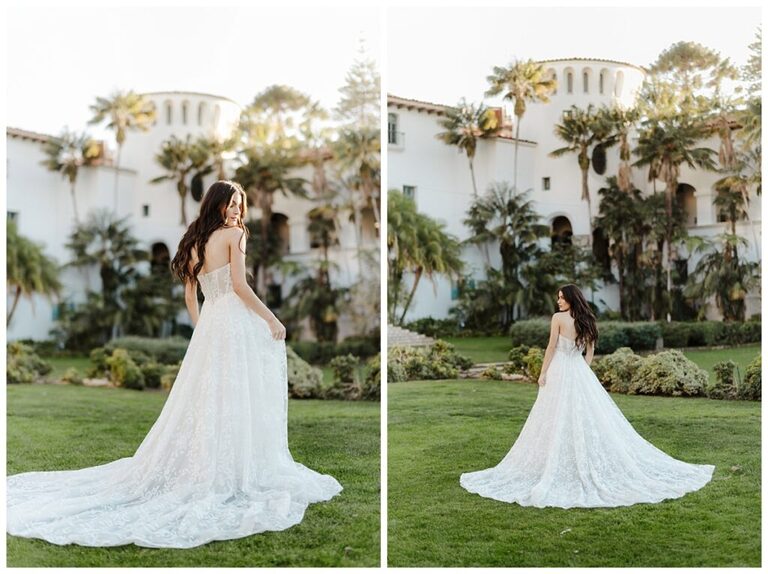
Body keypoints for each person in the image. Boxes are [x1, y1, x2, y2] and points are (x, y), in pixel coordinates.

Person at [7, 180, 342, 548]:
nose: (237, 210)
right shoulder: (234, 235)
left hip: (213, 323)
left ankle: (220, 465)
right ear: (217, 205)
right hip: (232, 318)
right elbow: (240, 287)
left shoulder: (195, 241)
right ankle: (233, 470)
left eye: (239, 204)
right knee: (237, 391)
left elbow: (190, 294)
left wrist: (202, 329)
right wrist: (272, 319)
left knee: (215, 396)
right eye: (231, 203)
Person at [460, 284, 714, 508]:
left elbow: (550, 347)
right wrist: (584, 368)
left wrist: (543, 372)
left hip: (561, 368)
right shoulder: (587, 319)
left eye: (561, 297)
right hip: (578, 370)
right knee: (579, 414)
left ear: (571, 298)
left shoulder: (558, 318)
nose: (558, 301)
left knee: (556, 413)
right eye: (558, 297)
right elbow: (590, 349)